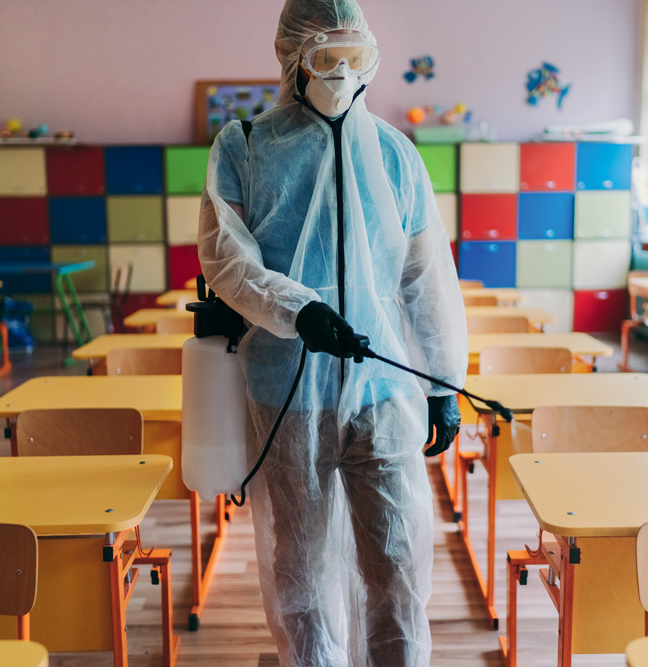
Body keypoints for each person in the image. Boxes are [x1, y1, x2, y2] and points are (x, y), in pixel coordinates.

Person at [198, 0, 467, 664]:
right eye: (327, 57)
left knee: (397, 558)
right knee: (303, 563)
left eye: (356, 57)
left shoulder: (397, 156)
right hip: (288, 391)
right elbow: (226, 260)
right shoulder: (246, 146)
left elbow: (424, 276)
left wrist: (445, 383)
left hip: (384, 390)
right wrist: (297, 310)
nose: (342, 73)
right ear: (293, 56)